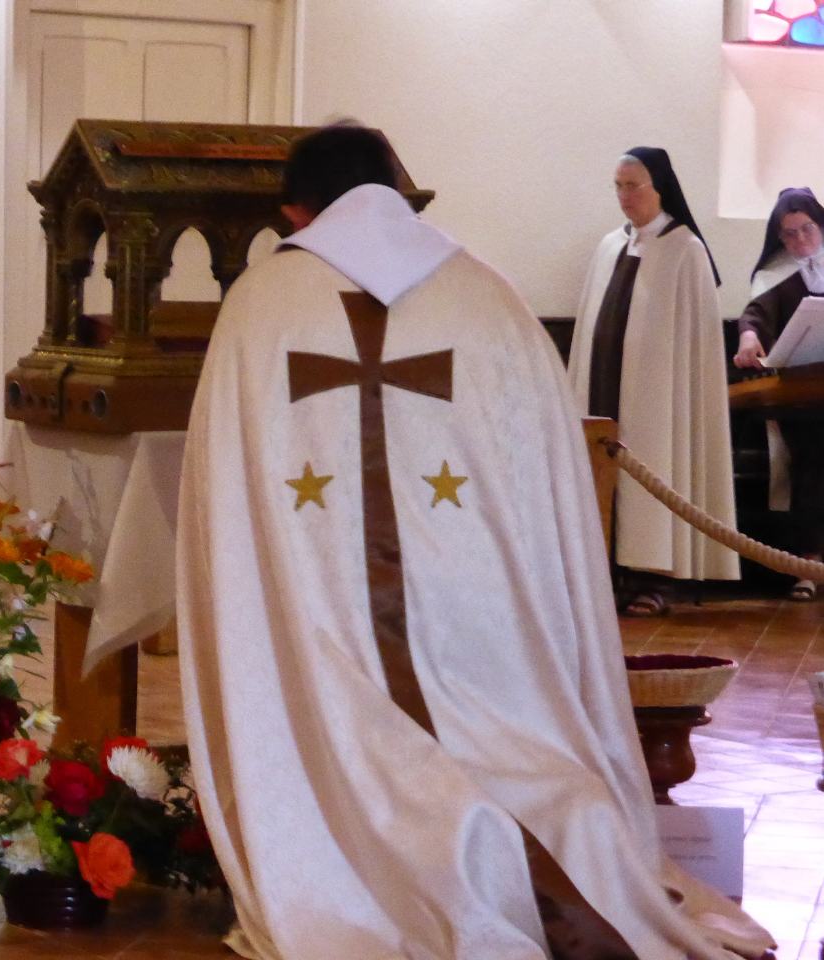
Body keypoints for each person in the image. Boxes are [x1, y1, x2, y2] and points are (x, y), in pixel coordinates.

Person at [176, 124, 773, 960]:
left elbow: (223, 491)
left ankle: (367, 851)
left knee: (351, 712)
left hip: (319, 622)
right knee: (517, 751)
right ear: (399, 192)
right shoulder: (485, 294)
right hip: (473, 629)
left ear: (295, 210)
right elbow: (542, 479)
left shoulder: (261, 301)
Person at [568, 147, 739, 617]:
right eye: (618, 186)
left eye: (633, 186)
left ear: (659, 187)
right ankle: (607, 574)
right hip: (603, 387)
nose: (624, 196)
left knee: (656, 467)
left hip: (659, 399)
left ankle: (654, 578)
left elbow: (695, 345)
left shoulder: (685, 249)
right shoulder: (610, 245)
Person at [733, 186, 824, 601]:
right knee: (812, 458)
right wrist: (749, 338)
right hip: (801, 397)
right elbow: (754, 316)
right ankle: (809, 563)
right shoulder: (776, 274)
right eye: (789, 233)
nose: (800, 239)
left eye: (807, 229)